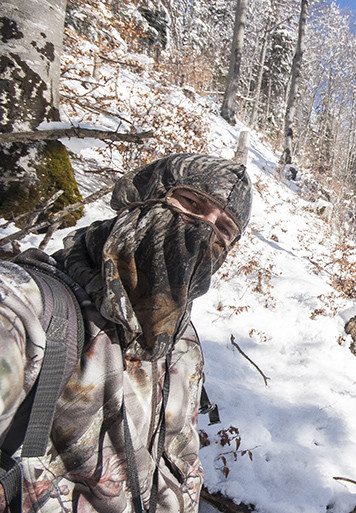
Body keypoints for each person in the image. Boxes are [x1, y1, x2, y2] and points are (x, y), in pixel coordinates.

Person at [0, 153, 252, 513]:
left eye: (224, 229)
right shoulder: (27, 307)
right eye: (191, 202)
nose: (203, 229)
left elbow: (184, 467)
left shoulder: (184, 348)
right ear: (144, 195)